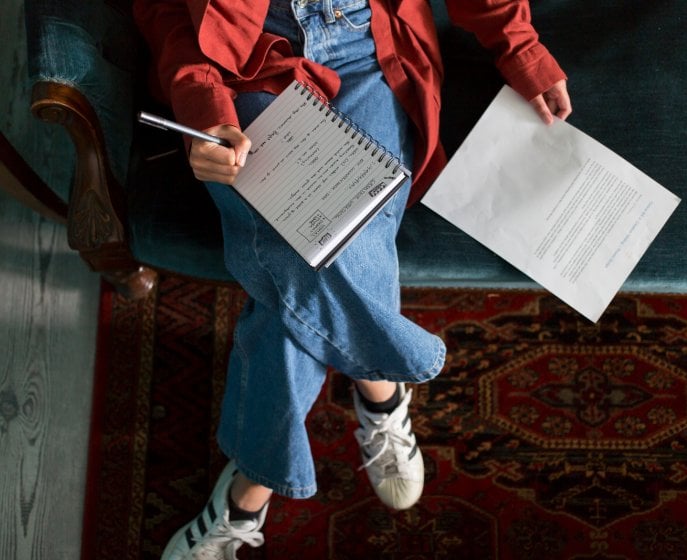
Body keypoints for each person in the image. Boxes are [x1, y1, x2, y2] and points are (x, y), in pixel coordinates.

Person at [132, 0, 571, 557]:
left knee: (327, 250)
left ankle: (252, 488)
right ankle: (384, 384)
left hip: (370, 51)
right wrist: (200, 101)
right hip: (246, 62)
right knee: (311, 245)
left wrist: (522, 49)